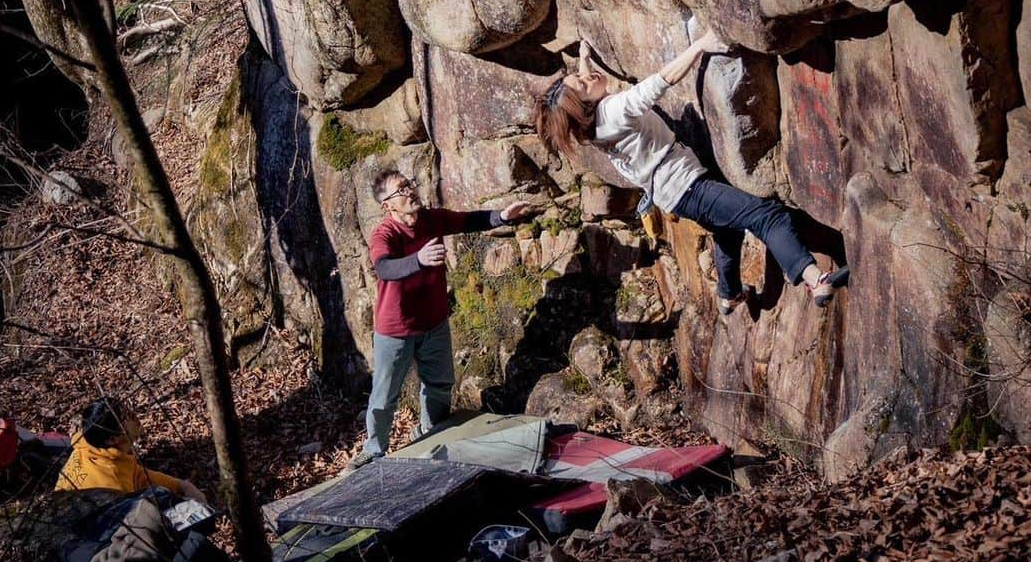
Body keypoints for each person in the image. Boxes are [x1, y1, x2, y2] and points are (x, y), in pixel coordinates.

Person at [533, 31, 849, 314]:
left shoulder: (592, 127)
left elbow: (585, 90)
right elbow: (658, 83)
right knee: (767, 215)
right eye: (582, 83)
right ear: (583, 107)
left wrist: (585, 60)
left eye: (580, 75)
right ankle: (814, 279)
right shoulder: (612, 112)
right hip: (687, 187)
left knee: (728, 230)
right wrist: (700, 45)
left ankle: (729, 295)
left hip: (673, 192)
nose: (587, 77)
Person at [356, 170, 528, 465]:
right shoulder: (384, 234)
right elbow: (384, 268)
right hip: (395, 330)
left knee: (439, 385)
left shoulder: (431, 219)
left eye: (409, 184)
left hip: (434, 323)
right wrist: (418, 260)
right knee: (385, 398)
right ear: (387, 205)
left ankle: (431, 434)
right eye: (401, 190)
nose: (410, 191)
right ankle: (372, 454)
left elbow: (467, 220)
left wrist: (502, 216)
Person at [55, 397, 208, 502]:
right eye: (127, 417)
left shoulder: (90, 448)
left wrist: (181, 485)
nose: (135, 417)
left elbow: (136, 474)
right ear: (112, 438)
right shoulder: (111, 484)